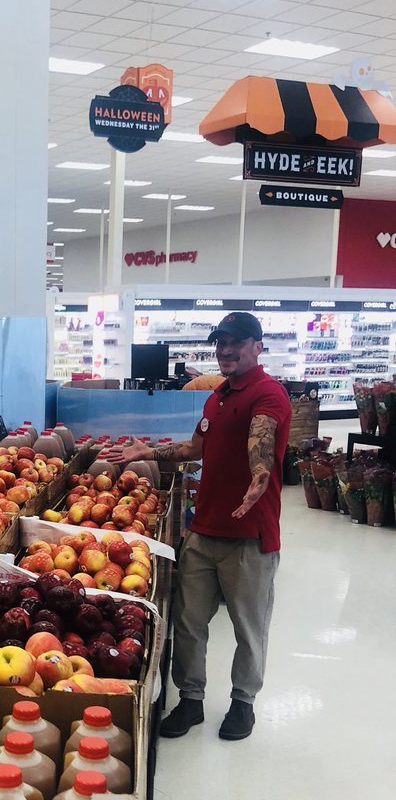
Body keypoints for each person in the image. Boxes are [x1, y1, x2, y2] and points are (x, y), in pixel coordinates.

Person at [107, 312, 292, 741]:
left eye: (236, 343)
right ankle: (190, 699)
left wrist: (260, 475)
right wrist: (147, 451)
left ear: (257, 346)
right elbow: (194, 448)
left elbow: (260, 444)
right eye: (220, 343)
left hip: (250, 536)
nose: (225, 351)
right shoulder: (218, 396)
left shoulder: (269, 394)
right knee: (189, 621)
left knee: (249, 626)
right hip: (204, 530)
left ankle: (243, 702)